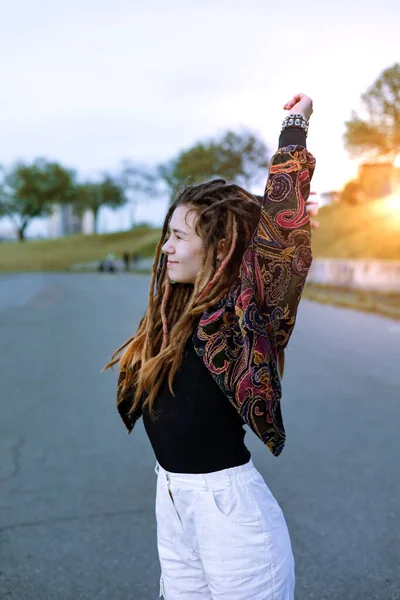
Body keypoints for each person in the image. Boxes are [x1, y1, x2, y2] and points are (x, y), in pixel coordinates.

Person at [105, 93, 316, 600]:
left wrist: (295, 125)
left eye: (179, 237)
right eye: (167, 235)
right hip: (174, 502)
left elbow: (283, 238)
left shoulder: (247, 317)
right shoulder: (174, 312)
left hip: (232, 518)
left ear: (218, 247)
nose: (166, 247)